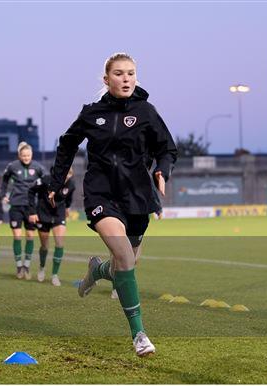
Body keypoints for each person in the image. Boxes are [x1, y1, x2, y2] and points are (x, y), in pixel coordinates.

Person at [48, 53, 177, 357]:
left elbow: (167, 149)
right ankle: (139, 335)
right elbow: (67, 144)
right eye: (119, 74)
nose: (126, 79)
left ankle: (97, 270)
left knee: (126, 264)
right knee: (123, 256)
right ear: (106, 79)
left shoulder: (146, 112)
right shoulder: (92, 114)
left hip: (137, 198)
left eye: (131, 73)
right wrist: (56, 182)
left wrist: (162, 170)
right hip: (101, 195)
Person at [1, 142, 45, 279]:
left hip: (31, 207)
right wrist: (3, 194)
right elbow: (4, 180)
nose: (26, 158)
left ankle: (27, 265)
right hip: (16, 205)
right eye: (23, 155)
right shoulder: (12, 166)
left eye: (28, 155)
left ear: (31, 155)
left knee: (31, 236)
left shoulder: (38, 167)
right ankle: (19, 266)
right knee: (17, 236)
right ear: (19, 155)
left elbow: (46, 181)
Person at [28, 168, 75, 286]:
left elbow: (69, 197)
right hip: (43, 214)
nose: (67, 178)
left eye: (69, 176)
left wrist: (68, 207)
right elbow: (31, 191)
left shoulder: (71, 184)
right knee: (44, 245)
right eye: (65, 175)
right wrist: (32, 211)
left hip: (59, 214)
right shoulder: (46, 179)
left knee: (59, 244)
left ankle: (55, 275)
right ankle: (42, 267)